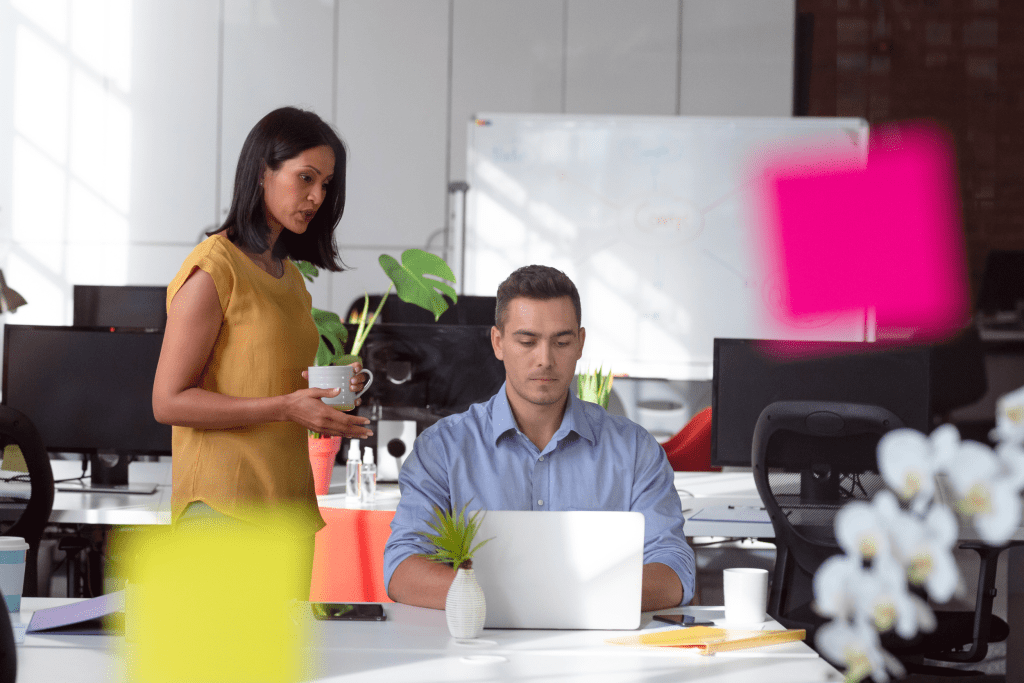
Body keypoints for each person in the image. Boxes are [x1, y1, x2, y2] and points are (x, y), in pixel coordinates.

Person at [152, 107, 374, 595]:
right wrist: (285, 407)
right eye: (305, 178)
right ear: (261, 174)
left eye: (326, 184)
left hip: (288, 514)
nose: (317, 196)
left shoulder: (288, 275)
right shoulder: (214, 269)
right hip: (224, 512)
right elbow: (168, 401)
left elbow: (267, 380)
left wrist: (327, 395)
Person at [383, 265, 695, 611]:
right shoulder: (443, 448)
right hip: (478, 643)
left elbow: (673, 571)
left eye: (561, 342)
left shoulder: (634, 450)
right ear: (498, 343)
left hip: (602, 651)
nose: (544, 359)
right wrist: (526, 599)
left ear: (580, 344)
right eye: (527, 341)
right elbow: (403, 570)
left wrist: (555, 598)